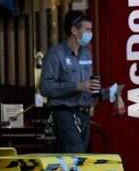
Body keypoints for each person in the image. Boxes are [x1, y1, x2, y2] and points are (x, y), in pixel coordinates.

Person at [39, 10, 99, 153]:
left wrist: (101, 92)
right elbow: (45, 87)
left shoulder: (86, 53)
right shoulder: (55, 54)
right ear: (74, 30)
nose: (90, 33)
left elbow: (88, 85)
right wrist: (76, 86)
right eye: (87, 30)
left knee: (80, 159)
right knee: (76, 157)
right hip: (64, 113)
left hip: (83, 115)